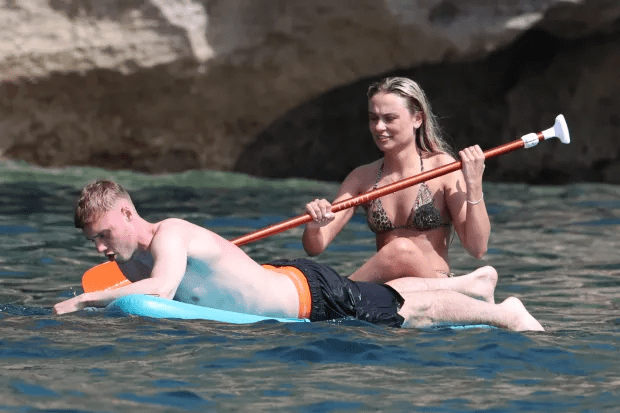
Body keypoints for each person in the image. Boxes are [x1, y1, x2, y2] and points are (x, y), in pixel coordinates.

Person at [53, 180, 543, 332]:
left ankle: (503, 314)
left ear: (125, 211)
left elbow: (159, 291)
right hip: (289, 283)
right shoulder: (122, 262)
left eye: (103, 234)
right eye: (93, 241)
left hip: (308, 298)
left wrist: (80, 304)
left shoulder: (171, 234)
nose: (100, 248)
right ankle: (471, 283)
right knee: (379, 294)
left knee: (407, 310)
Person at [303, 77, 491, 282]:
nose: (379, 127)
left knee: (401, 250)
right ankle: (342, 295)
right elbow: (316, 247)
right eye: (373, 118)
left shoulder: (443, 168)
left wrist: (474, 186)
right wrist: (315, 225)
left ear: (417, 119)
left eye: (389, 118)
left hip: (433, 286)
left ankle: (341, 295)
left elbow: (477, 248)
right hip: (386, 289)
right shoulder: (361, 177)